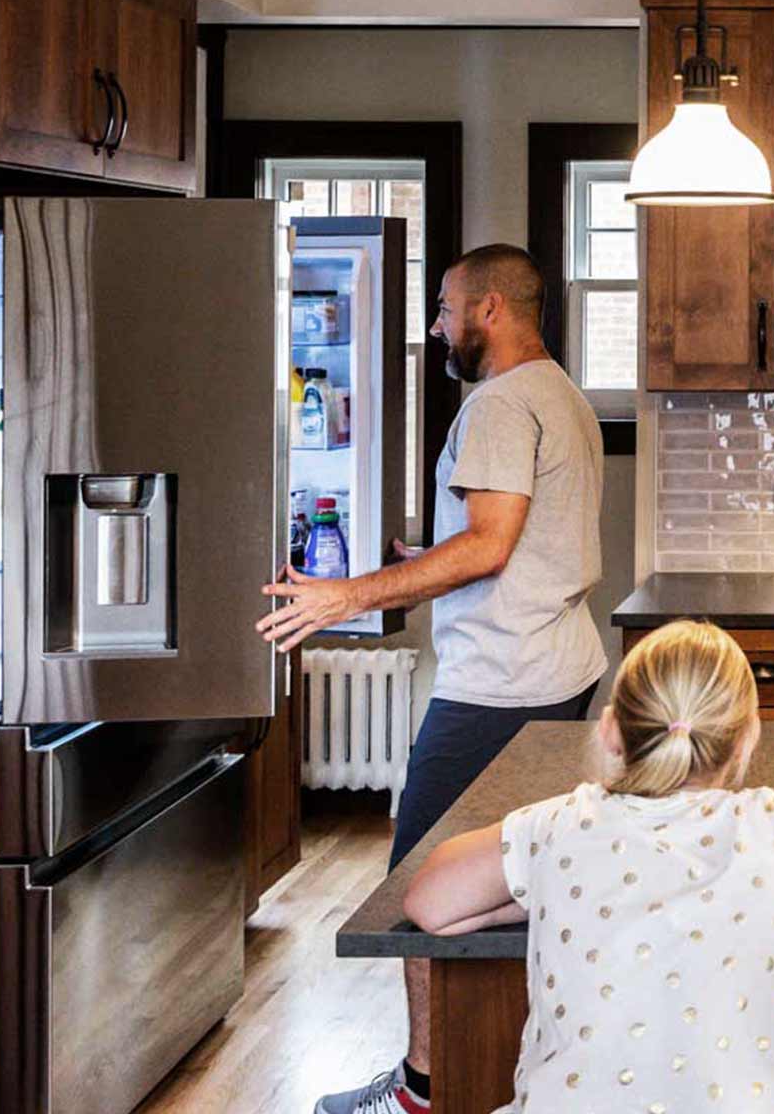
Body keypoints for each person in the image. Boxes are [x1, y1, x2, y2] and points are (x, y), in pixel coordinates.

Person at [257, 244, 609, 1114]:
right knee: (523, 878)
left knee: (419, 886)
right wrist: (418, 561)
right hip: (556, 668)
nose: (438, 327)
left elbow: (489, 546)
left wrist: (348, 594)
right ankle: (505, 1066)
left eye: (447, 310)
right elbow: (520, 543)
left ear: (490, 309)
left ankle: (425, 1091)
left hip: (498, 686)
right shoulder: (561, 394)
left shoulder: (497, 405)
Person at [402, 619, 774, 1112]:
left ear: (610, 730)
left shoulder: (558, 826)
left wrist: (536, 886)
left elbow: (429, 903)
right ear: (747, 741)